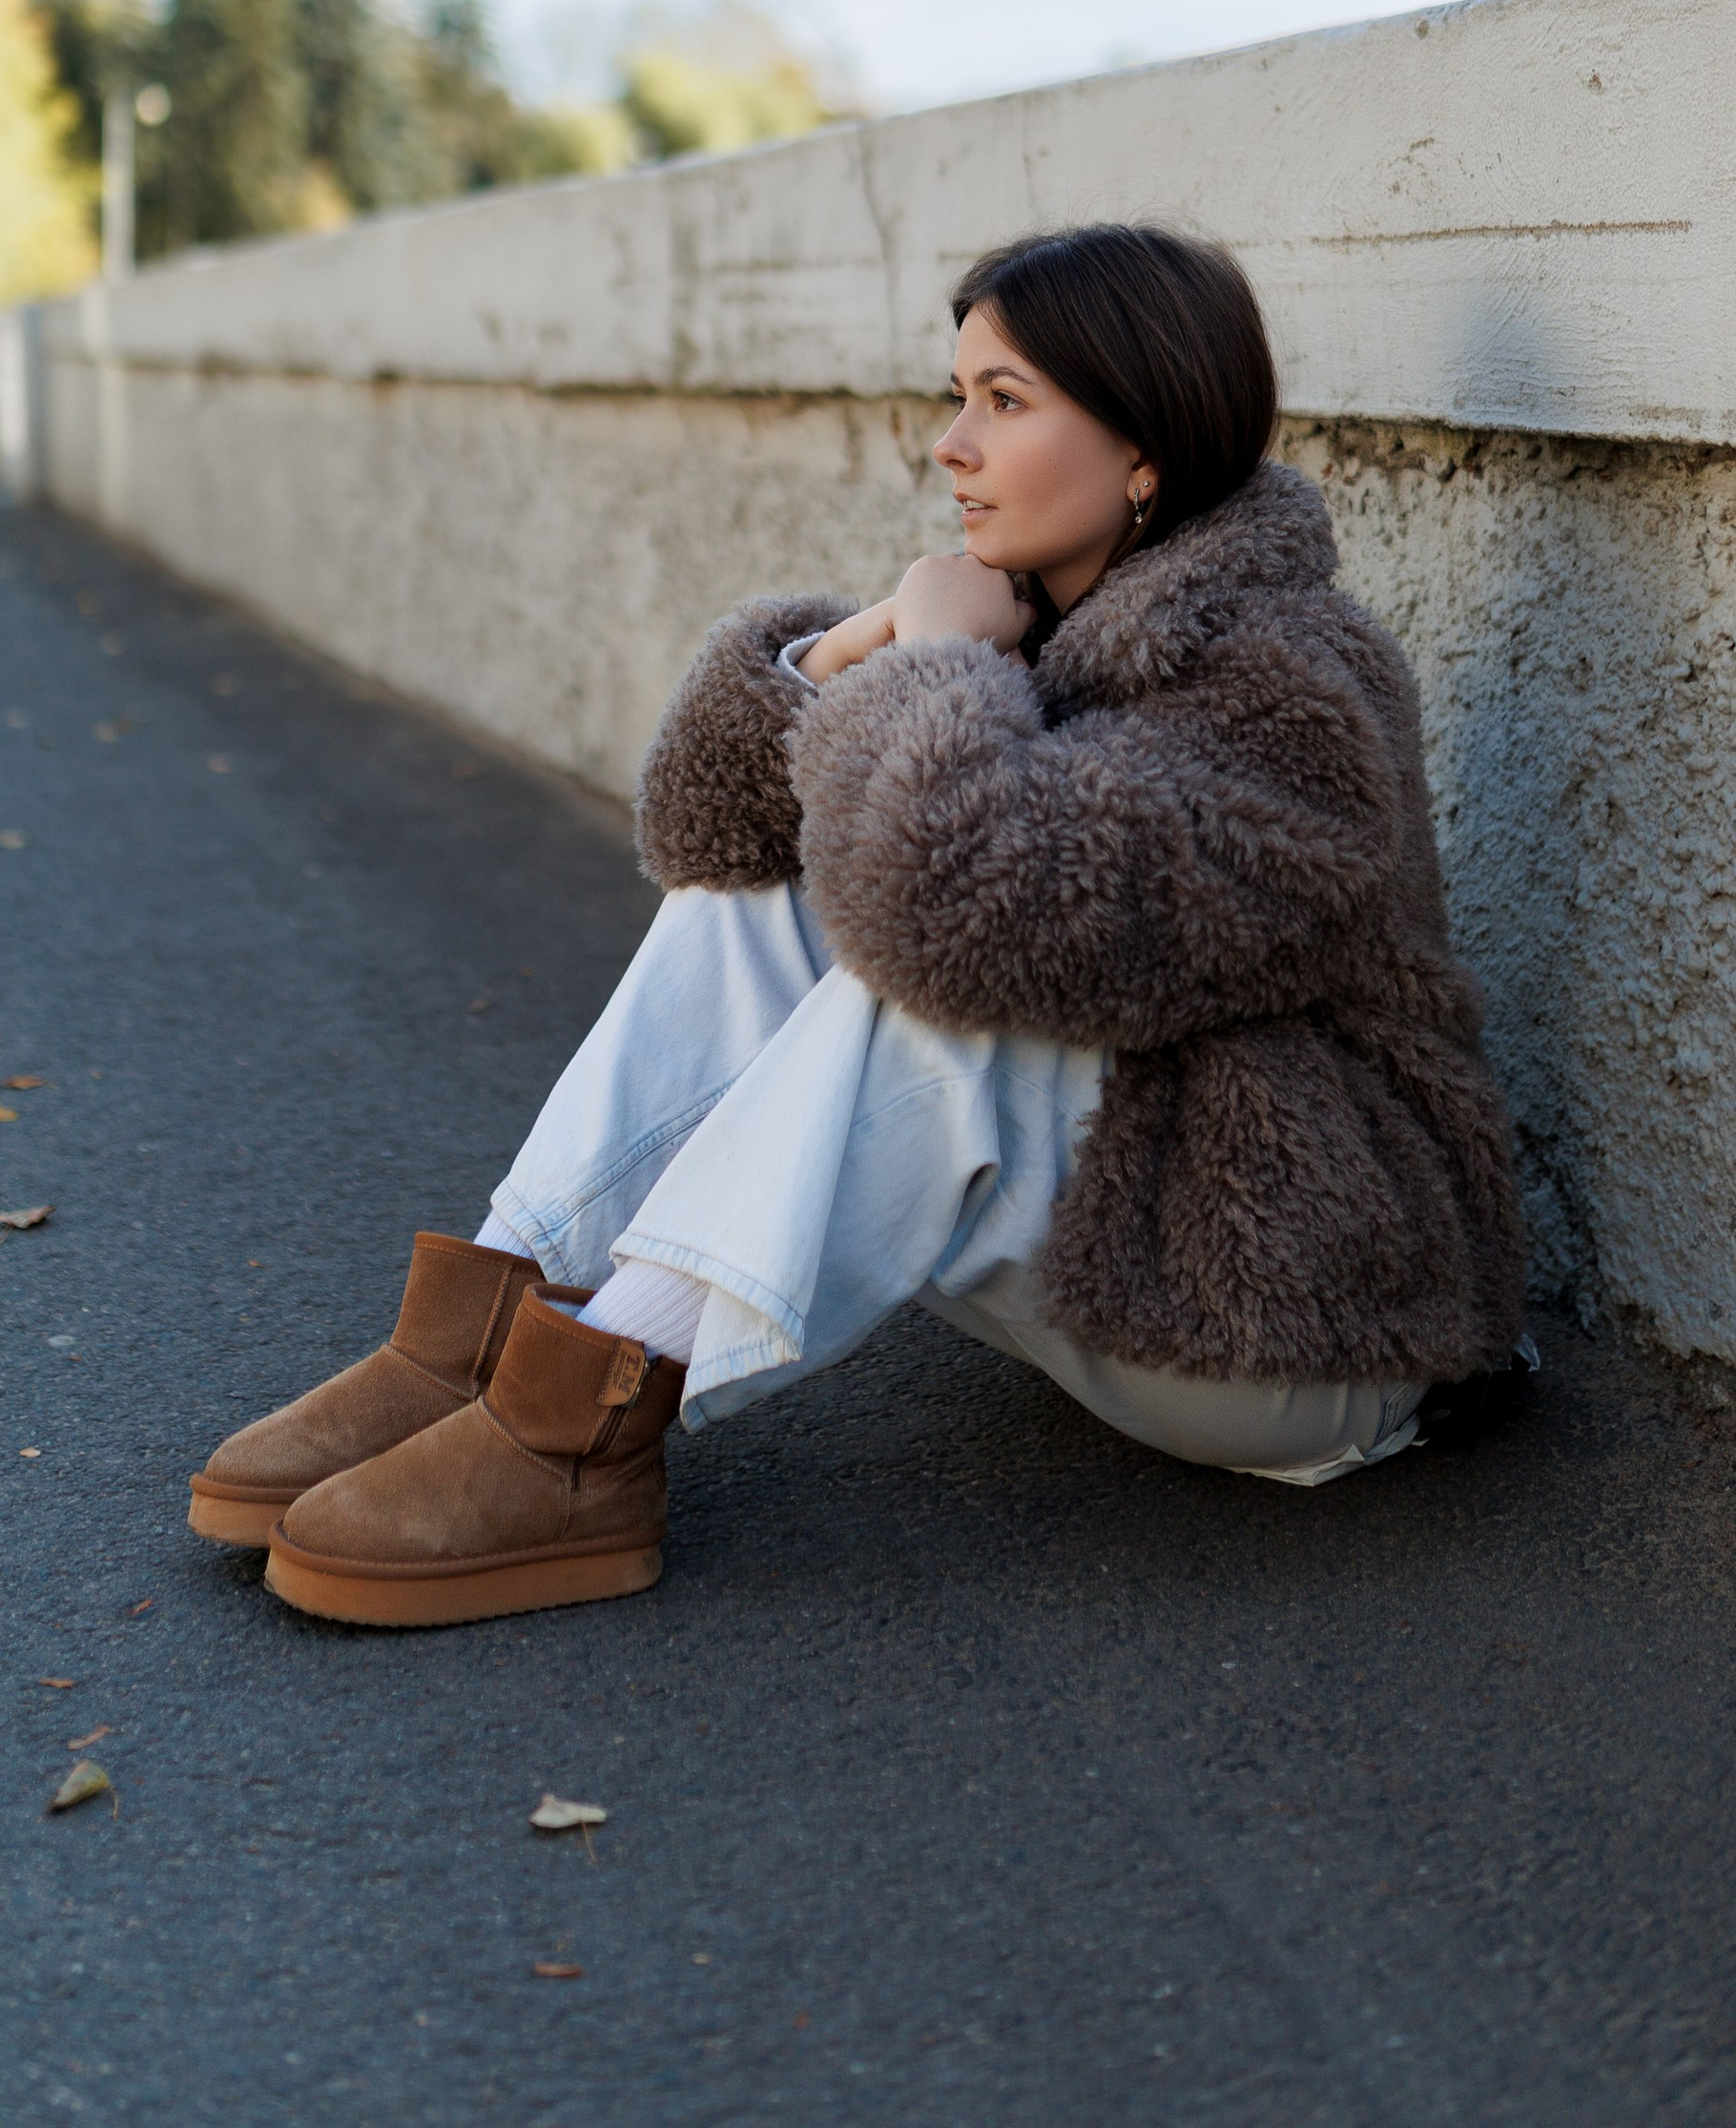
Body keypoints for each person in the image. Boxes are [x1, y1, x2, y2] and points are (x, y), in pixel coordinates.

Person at [190, 223, 1528, 1629]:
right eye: (958, 397)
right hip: (1128, 1264)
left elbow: (967, 908)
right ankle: (490, 1334)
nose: (951, 445)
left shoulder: (1294, 685)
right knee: (756, 893)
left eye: (1003, 404)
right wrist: (846, 651)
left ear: (1147, 448)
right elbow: (713, 826)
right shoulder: (1068, 631)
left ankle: (579, 1431)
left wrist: (944, 657)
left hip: (1306, 1314)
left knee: (940, 985)